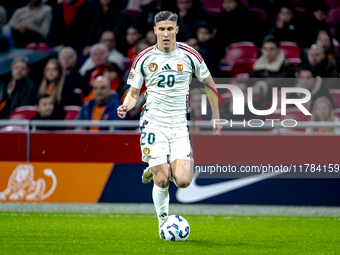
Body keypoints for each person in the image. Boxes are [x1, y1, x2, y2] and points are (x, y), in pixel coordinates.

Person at [117, 11, 221, 229]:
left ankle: (156, 167)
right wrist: (127, 104)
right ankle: (163, 223)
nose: (165, 33)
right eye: (161, 29)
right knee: (163, 180)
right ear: (155, 30)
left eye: (169, 29)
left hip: (179, 126)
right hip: (153, 123)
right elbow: (134, 93)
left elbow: (210, 84)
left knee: (183, 181)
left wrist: (216, 116)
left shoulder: (190, 55)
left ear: (176, 30)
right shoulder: (144, 58)